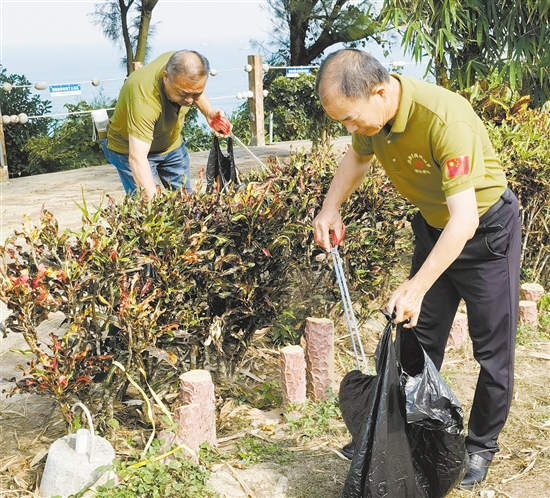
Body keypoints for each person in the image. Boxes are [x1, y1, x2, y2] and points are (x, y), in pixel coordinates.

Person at [312, 49, 521, 490]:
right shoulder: (375, 120)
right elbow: (357, 159)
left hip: (485, 233)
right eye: (342, 124)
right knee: (418, 339)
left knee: (492, 353)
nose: (350, 130)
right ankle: (404, 432)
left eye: (350, 119)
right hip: (433, 228)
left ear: (379, 91)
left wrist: (416, 285)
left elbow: (464, 219)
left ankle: (479, 446)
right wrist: (330, 208)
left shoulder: (446, 119)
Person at [100, 50, 231, 200]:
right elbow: (137, 157)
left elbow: (192, 87)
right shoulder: (144, 99)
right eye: (183, 94)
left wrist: (209, 113)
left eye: (195, 94)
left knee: (187, 202)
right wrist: (154, 207)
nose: (189, 100)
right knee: (148, 208)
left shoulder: (182, 63)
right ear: (165, 77)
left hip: (171, 145)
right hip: (131, 149)